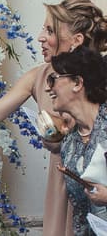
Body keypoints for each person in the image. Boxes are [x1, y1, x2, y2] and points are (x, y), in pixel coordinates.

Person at [0, 0, 107, 236]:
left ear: (76, 40)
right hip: (64, 180)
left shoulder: (99, 77)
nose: (41, 37)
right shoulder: (38, 77)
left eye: (50, 30)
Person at [46, 46, 107, 235]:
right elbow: (80, 214)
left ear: (77, 83)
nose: (49, 88)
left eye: (53, 79)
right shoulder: (69, 143)